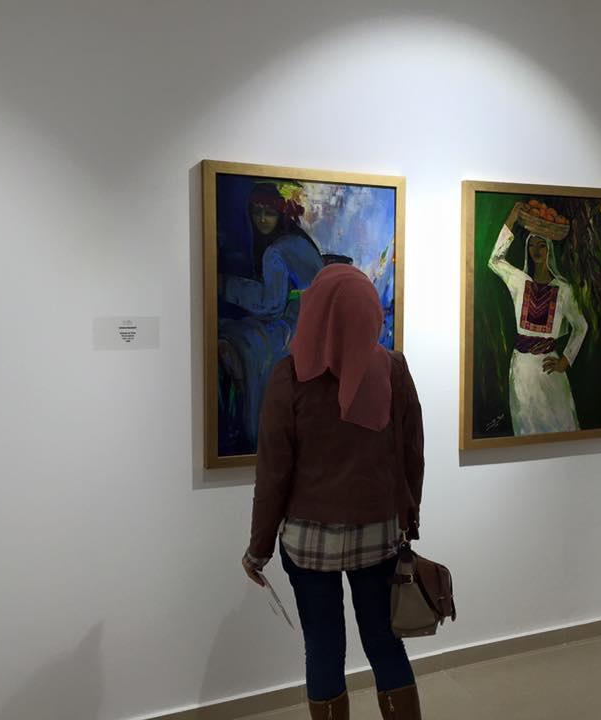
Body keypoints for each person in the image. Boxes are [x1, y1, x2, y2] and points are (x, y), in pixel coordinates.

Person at [241, 264, 425, 720]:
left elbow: (273, 474)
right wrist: (409, 517)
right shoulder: (393, 369)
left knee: (323, 647)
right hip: (378, 535)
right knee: (385, 643)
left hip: (308, 543)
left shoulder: (289, 377)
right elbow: (412, 454)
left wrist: (259, 548)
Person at [218, 182, 325, 452]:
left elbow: (271, 304)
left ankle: (256, 434)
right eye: (257, 212)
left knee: (239, 339)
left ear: (282, 215)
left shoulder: (275, 251)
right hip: (313, 327)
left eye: (269, 213)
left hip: (293, 328)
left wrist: (225, 285)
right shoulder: (301, 242)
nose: (262, 219)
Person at [488, 201, 588, 435]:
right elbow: (494, 260)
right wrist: (512, 218)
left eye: (542, 245)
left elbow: (581, 326)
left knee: (562, 428)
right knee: (526, 429)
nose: (537, 250)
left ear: (549, 250)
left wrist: (565, 360)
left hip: (550, 369)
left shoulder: (563, 290)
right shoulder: (519, 281)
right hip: (522, 368)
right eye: (532, 245)